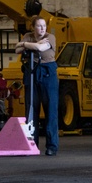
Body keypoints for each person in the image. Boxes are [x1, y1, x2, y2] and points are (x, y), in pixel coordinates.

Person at [15, 16, 58, 156]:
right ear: (33, 27)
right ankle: (31, 144)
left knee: (50, 109)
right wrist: (27, 44)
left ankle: (52, 146)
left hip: (47, 74)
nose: (42, 28)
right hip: (31, 72)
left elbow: (40, 47)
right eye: (39, 26)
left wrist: (25, 45)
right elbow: (16, 49)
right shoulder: (27, 36)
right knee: (31, 109)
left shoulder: (50, 37)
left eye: (44, 26)